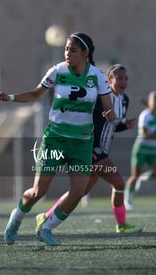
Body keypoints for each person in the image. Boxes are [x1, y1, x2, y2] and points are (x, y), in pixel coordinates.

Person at [0, 32, 116, 246]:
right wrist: (11, 97)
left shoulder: (97, 76)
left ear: (85, 54)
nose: (68, 53)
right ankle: (17, 217)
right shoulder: (57, 71)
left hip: (82, 141)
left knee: (78, 192)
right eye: (67, 49)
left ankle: (46, 228)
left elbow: (109, 108)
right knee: (38, 192)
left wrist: (111, 115)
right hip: (55, 139)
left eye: (73, 50)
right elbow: (34, 95)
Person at [35, 64, 142, 234]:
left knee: (79, 192)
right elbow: (90, 122)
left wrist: (124, 125)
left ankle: (46, 217)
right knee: (119, 183)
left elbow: (112, 125)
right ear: (109, 80)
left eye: (126, 78)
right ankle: (121, 224)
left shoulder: (124, 100)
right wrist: (90, 147)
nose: (123, 81)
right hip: (92, 149)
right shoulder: (100, 99)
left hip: (103, 150)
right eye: (119, 78)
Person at [124, 91, 156, 210]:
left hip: (154, 150)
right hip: (141, 149)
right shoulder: (145, 115)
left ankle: (143, 179)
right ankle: (128, 200)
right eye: (154, 99)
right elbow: (145, 135)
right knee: (134, 175)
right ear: (149, 102)